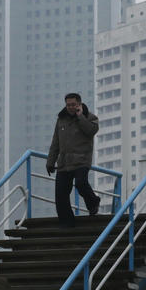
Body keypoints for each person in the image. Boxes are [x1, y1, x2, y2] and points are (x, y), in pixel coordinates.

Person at [46, 92, 101, 227]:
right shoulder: (61, 120)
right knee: (60, 194)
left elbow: (91, 131)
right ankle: (67, 223)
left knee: (81, 184)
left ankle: (93, 202)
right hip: (64, 163)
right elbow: (55, 143)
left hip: (82, 160)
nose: (70, 107)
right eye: (68, 105)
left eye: (73, 104)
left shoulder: (90, 117)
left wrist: (80, 116)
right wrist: (50, 162)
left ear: (79, 104)